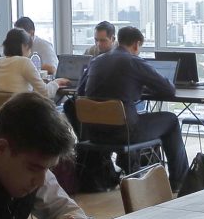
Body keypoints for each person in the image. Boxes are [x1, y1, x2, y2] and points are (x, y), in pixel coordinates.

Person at [77, 26, 189, 189]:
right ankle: (179, 181)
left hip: (94, 133)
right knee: (171, 120)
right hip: (124, 133)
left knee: (135, 116)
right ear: (136, 44)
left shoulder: (96, 61)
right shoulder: (133, 61)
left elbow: (80, 92)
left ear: (118, 40)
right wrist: (143, 86)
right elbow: (169, 90)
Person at [0, 28, 67, 98]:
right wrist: (56, 82)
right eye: (30, 48)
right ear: (25, 46)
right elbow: (45, 93)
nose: (30, 53)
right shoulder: (24, 62)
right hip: (22, 107)